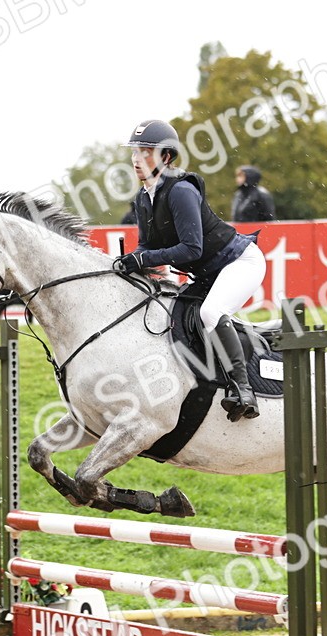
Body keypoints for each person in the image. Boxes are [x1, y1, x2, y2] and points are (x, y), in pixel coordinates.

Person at [114, 119, 267, 422]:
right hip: (209, 274)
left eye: (145, 151)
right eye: (134, 152)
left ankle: (244, 390)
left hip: (241, 263)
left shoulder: (181, 190)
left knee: (210, 313)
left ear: (166, 157)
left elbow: (191, 249)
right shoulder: (143, 198)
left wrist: (143, 260)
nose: (136, 159)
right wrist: (127, 261)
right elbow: (146, 247)